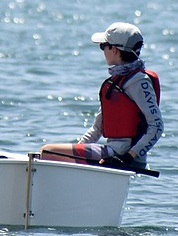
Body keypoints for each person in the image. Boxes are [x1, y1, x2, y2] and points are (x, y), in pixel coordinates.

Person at [39, 21, 163, 169]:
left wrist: (128, 157)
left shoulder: (139, 81)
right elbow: (97, 129)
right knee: (51, 154)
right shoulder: (117, 81)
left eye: (103, 46)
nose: (103, 50)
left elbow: (157, 126)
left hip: (122, 155)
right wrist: (75, 153)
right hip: (112, 151)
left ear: (114, 50)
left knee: (48, 151)